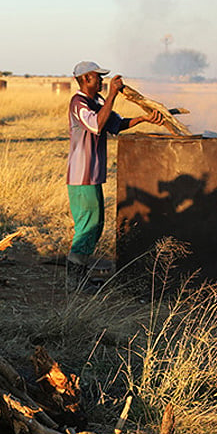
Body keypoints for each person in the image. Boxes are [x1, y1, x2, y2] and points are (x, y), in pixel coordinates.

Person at [66, 61, 164, 276]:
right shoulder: (79, 102)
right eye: (98, 77)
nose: (102, 80)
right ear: (85, 79)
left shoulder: (97, 102)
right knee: (89, 225)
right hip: (81, 174)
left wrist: (144, 119)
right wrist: (112, 95)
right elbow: (97, 125)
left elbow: (116, 125)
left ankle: (78, 271)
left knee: (95, 223)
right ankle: (74, 275)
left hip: (91, 174)